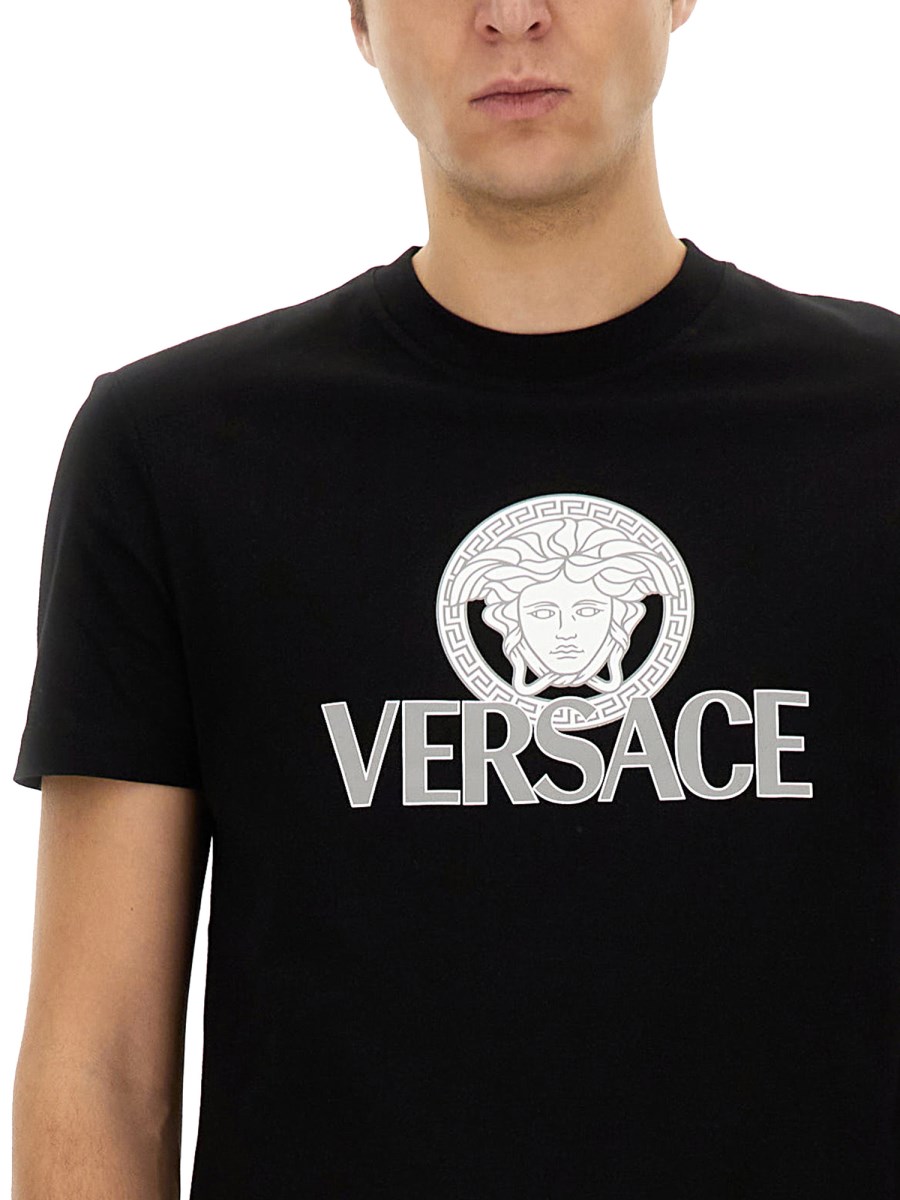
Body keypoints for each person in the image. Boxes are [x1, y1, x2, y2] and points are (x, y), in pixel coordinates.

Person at [10, 0, 900, 1196]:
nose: (511, 14)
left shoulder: (880, 429)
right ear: (359, 17)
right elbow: (100, 1062)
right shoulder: (173, 453)